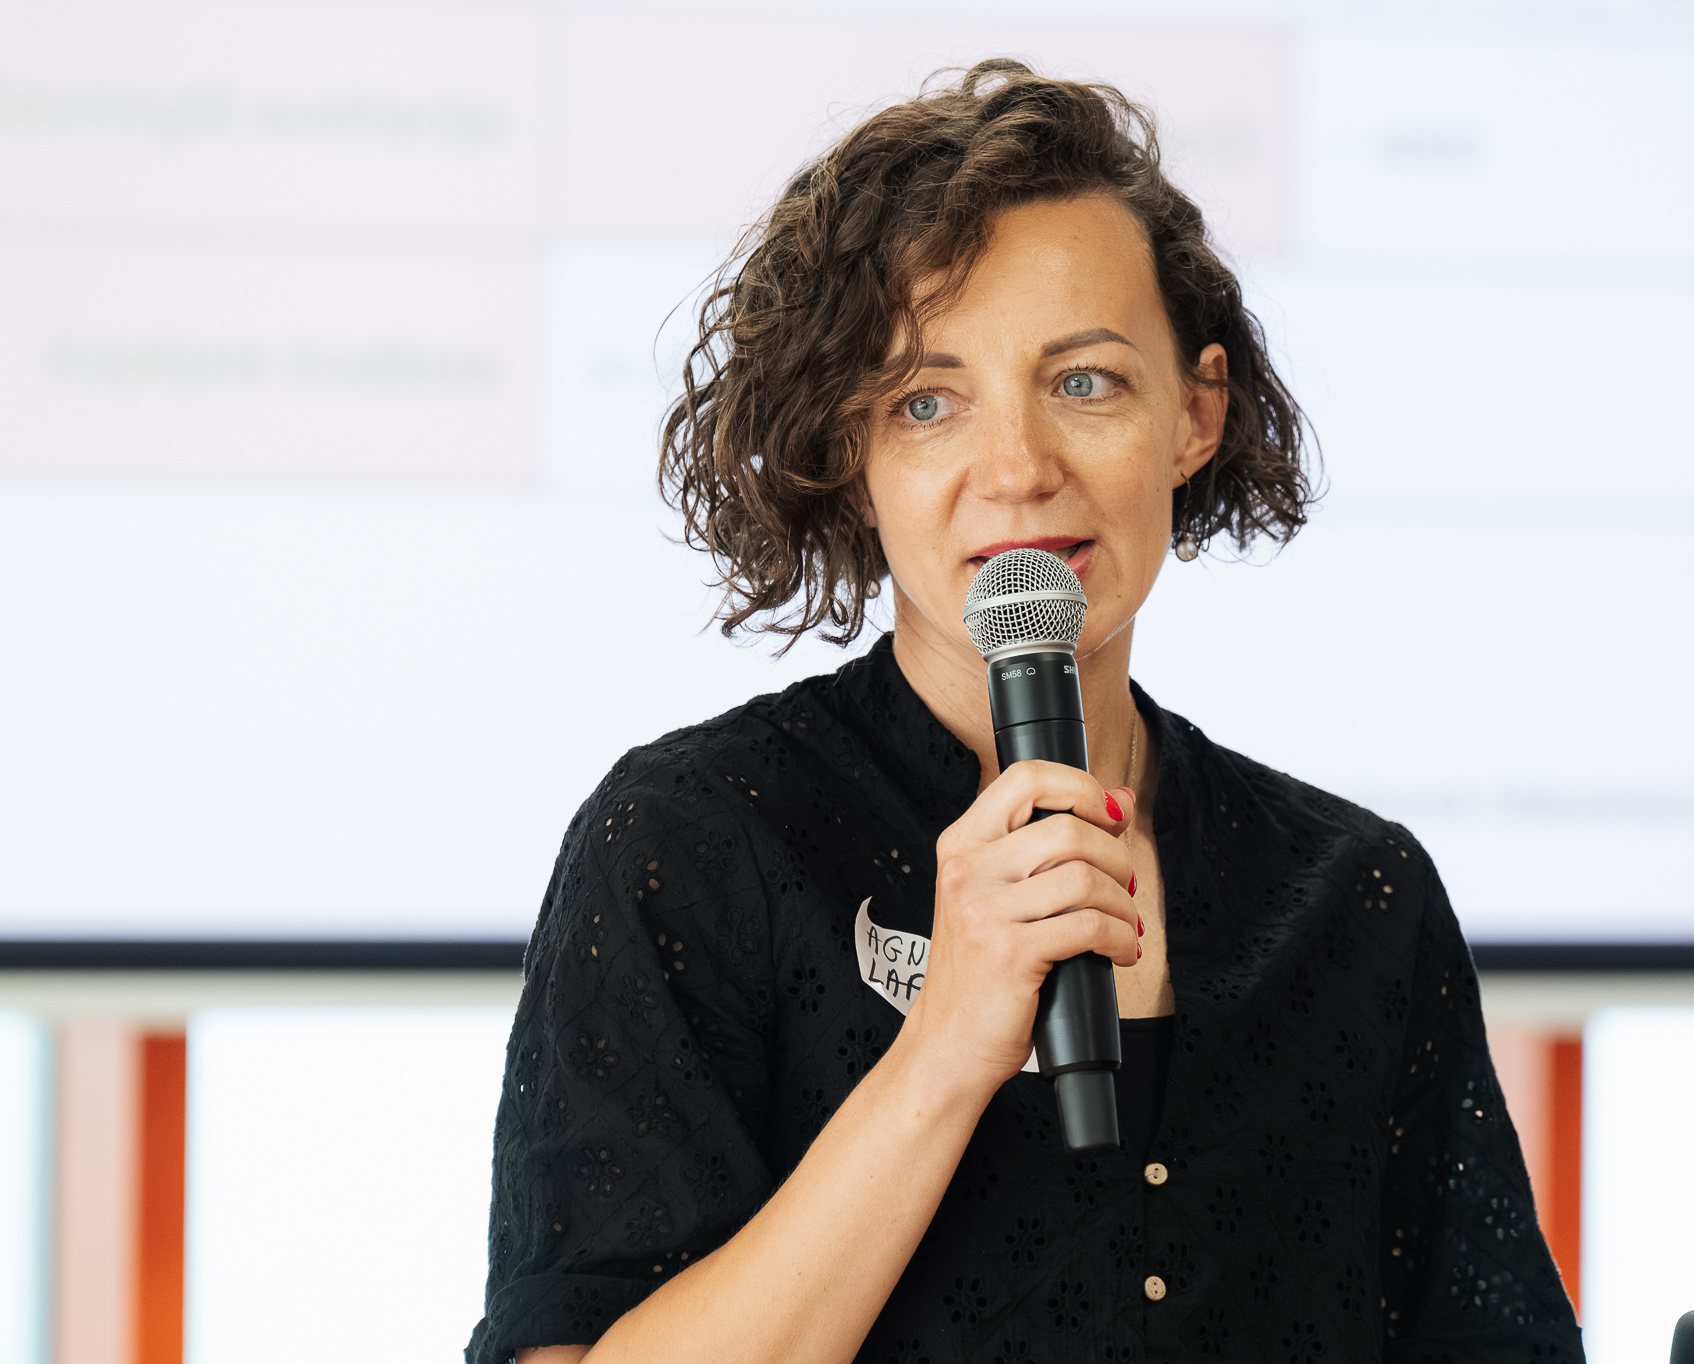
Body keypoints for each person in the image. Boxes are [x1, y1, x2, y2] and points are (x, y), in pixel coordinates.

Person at [467, 59, 1582, 1364]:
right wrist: (946, 1047)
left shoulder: (1353, 894)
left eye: (1085, 382)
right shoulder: (693, 842)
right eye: (927, 403)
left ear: (1195, 414)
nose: (1017, 469)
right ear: (850, 452)